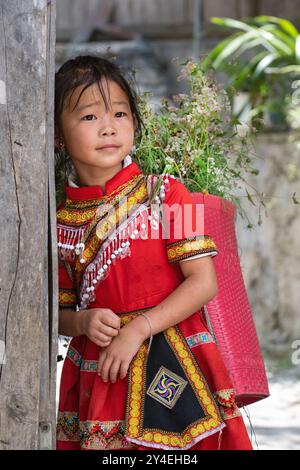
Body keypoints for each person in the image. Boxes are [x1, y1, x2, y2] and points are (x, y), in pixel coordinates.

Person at [55, 55, 253, 451]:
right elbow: (57, 313)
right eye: (89, 117)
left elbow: (204, 282)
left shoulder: (169, 194)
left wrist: (139, 329)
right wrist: (81, 323)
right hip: (105, 375)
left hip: (178, 366)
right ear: (58, 134)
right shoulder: (58, 223)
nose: (109, 127)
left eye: (120, 113)